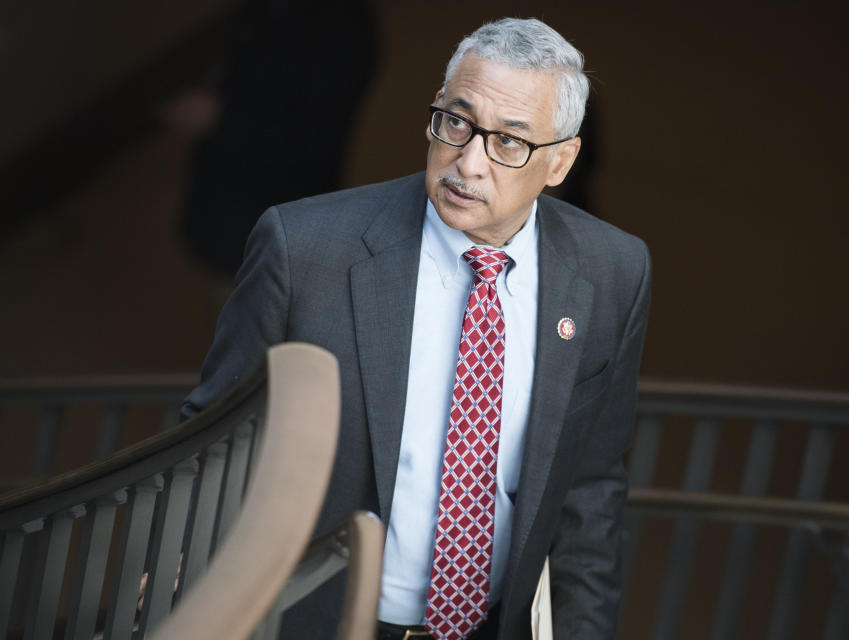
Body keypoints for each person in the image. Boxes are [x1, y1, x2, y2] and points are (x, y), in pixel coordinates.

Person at [181, 17, 651, 640]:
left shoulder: (612, 271)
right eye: (456, 121)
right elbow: (213, 438)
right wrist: (175, 578)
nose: (470, 162)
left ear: (561, 161)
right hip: (321, 621)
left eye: (509, 142)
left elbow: (591, 490)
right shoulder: (306, 250)